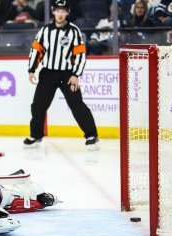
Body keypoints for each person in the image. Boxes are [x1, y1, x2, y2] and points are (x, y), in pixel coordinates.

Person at [26, 0, 99, 150]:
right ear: (53, 11)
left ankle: (91, 135)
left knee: (77, 105)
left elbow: (80, 55)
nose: (60, 14)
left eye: (63, 11)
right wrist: (32, 69)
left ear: (67, 12)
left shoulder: (74, 31)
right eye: (58, 10)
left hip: (67, 74)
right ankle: (36, 135)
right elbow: (36, 50)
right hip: (48, 73)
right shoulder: (45, 31)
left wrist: (75, 74)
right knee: (38, 105)